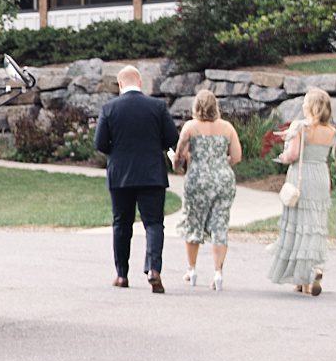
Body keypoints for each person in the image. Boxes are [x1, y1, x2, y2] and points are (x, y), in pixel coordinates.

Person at [94, 65, 178, 293]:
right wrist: (154, 146)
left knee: (121, 224)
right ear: (140, 83)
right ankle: (154, 270)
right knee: (153, 223)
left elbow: (100, 143)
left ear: (120, 84)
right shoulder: (157, 107)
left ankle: (122, 275)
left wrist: (117, 151)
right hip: (152, 173)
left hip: (120, 174)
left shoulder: (109, 108)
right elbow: (172, 137)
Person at [268, 86, 336, 296]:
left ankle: (303, 277)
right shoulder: (332, 132)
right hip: (320, 176)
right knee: (315, 224)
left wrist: (282, 154)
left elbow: (293, 155)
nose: (302, 104)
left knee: (299, 225)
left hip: (302, 176)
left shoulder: (301, 127)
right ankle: (313, 270)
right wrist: (291, 135)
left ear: (312, 106)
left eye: (305, 101)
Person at [172, 88, 242, 291]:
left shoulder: (190, 127)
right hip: (223, 179)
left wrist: (179, 163)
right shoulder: (227, 128)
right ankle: (218, 273)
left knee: (193, 222)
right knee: (220, 224)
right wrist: (219, 163)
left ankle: (192, 269)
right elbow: (236, 157)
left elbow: (179, 156)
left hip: (198, 180)